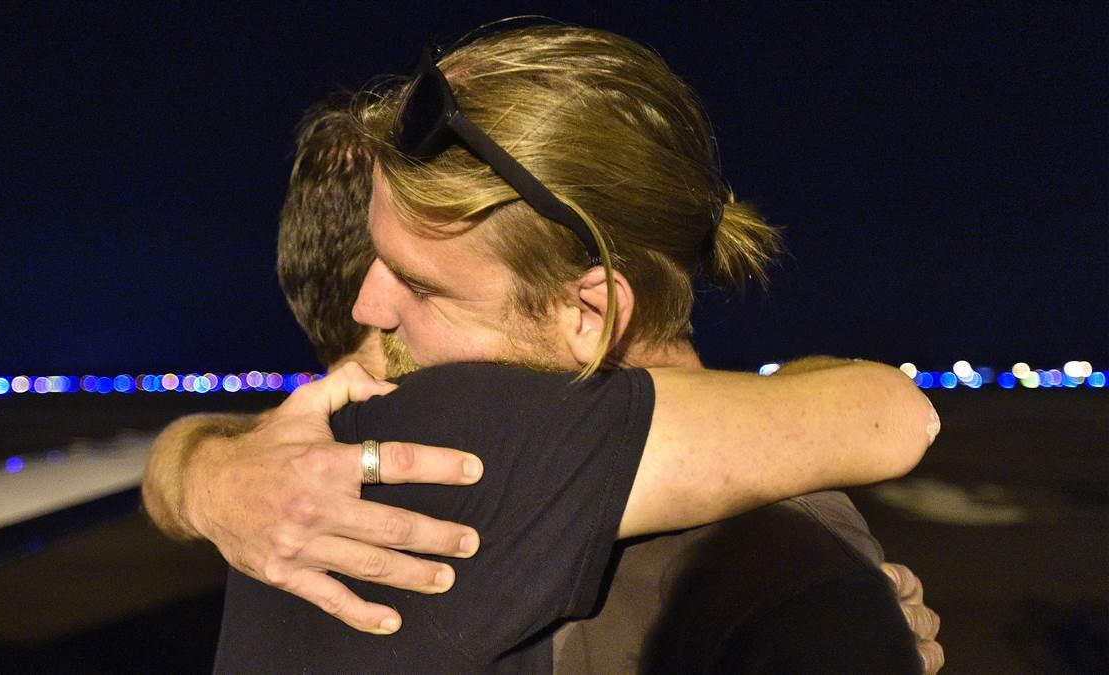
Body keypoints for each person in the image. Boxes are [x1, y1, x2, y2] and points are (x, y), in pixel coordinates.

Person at [144, 30, 943, 671]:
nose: (366, 304)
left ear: (589, 312)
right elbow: (892, 414)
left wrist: (196, 462)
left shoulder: (329, 458)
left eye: (419, 285)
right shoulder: (470, 435)